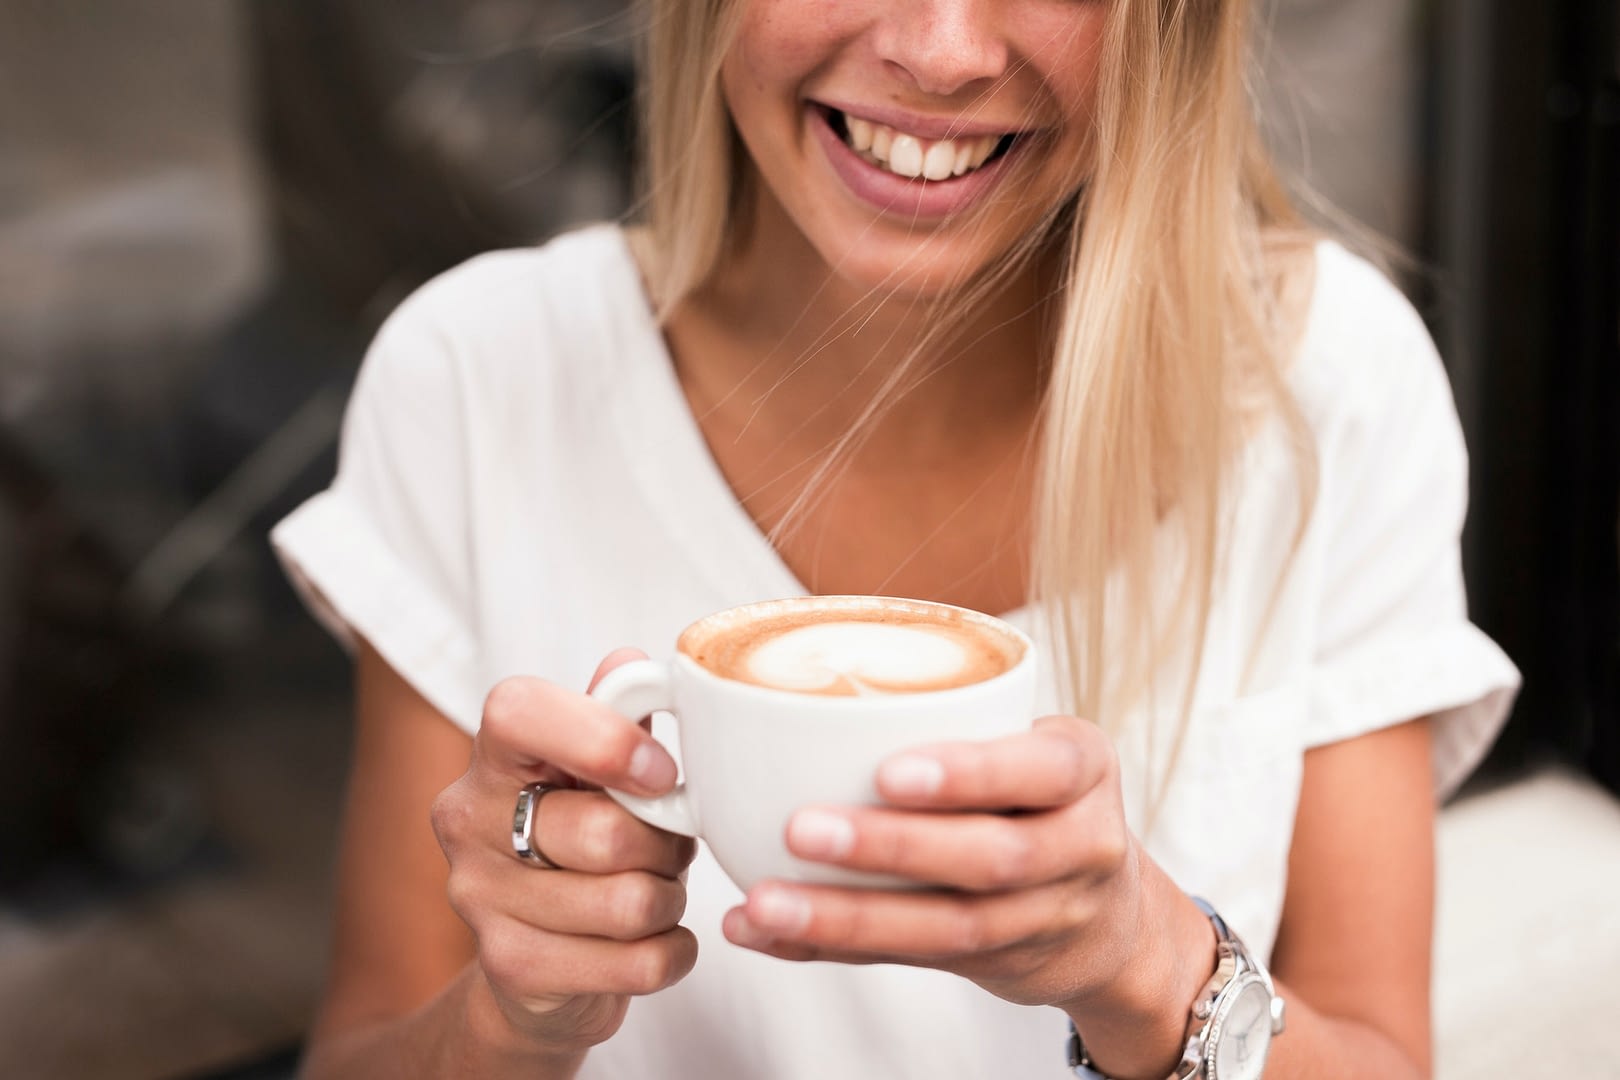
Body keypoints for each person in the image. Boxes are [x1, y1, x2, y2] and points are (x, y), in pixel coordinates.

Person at [272, 0, 1520, 1077]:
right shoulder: (480, 379)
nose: (940, 52)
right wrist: (514, 1018)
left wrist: (1149, 965)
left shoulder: (1321, 387)